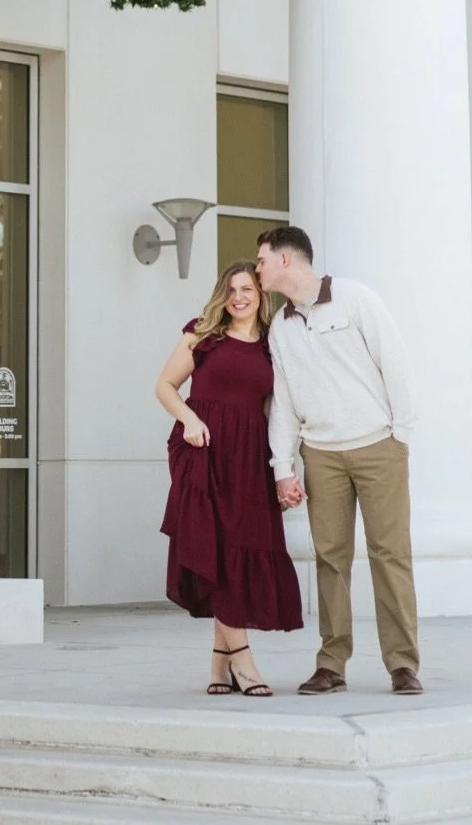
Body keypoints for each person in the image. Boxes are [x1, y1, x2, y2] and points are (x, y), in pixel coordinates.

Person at [255, 225, 422, 696]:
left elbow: (397, 363)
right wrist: (282, 467)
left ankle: (403, 664)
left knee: (390, 556)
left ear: (285, 260)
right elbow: (283, 401)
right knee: (330, 558)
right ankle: (332, 664)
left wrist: (400, 435)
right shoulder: (281, 327)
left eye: (262, 260)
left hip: (377, 447)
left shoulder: (355, 299)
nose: (258, 268)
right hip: (321, 456)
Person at [156, 260, 303, 696]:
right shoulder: (203, 334)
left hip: (249, 458)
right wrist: (188, 420)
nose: (240, 296)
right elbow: (164, 385)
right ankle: (244, 661)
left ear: (261, 295)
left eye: (248, 289)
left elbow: (279, 412)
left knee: (237, 552)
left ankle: (219, 664)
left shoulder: (272, 346)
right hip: (203, 452)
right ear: (224, 293)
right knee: (215, 548)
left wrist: (284, 468)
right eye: (233, 289)